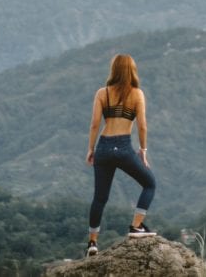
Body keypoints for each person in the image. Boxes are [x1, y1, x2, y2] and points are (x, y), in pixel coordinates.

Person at [84, 53, 157, 257]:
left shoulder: (102, 93)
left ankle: (92, 242)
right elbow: (142, 126)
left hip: (104, 147)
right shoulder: (137, 94)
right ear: (132, 70)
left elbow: (95, 124)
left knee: (100, 198)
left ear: (113, 70)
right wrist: (143, 151)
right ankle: (136, 227)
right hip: (124, 147)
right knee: (149, 183)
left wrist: (91, 149)